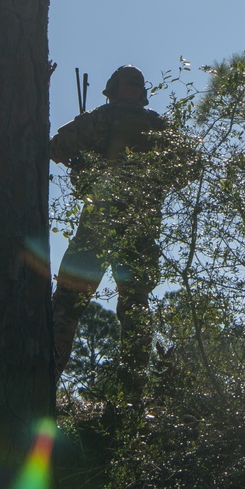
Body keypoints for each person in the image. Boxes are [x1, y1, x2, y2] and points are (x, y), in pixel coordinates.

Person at [49, 64, 189, 383]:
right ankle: (131, 396)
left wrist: (81, 163)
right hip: (140, 228)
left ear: (111, 91)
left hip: (97, 225)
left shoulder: (100, 117)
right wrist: (156, 184)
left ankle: (45, 380)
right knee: (136, 307)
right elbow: (190, 164)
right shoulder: (159, 127)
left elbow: (57, 147)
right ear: (142, 93)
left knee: (68, 305)